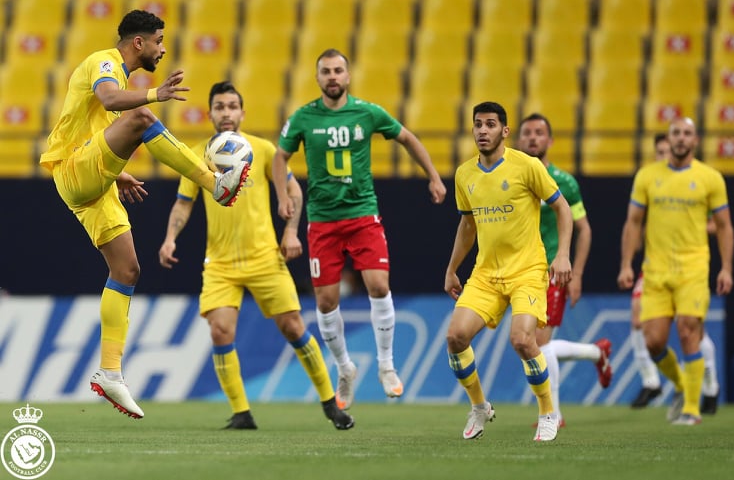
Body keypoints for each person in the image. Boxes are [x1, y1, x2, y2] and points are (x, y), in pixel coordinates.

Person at [38, 10, 249, 419]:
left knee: (127, 270)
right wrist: (155, 94)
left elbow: (96, 128)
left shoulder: (119, 76)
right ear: (140, 43)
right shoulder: (104, 63)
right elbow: (111, 100)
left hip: (93, 183)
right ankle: (214, 183)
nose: (163, 48)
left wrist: (117, 174)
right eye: (159, 40)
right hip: (72, 170)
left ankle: (110, 372)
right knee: (142, 116)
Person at [158, 81, 353, 430]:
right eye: (220, 106)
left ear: (242, 113)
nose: (227, 113)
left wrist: (291, 232)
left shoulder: (262, 150)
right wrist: (170, 237)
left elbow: (294, 190)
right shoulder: (196, 155)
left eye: (232, 106)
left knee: (293, 326)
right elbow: (183, 204)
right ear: (210, 114)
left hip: (264, 257)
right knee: (219, 331)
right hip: (219, 263)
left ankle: (330, 403)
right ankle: (242, 413)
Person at [272, 48, 447, 410]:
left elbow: (408, 138)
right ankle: (345, 368)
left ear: (348, 76)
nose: (332, 76)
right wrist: (282, 196)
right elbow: (279, 157)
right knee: (325, 300)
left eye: (338, 70)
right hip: (322, 220)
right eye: (326, 71)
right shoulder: (304, 117)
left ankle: (386, 365)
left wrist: (433, 176)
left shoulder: (368, 113)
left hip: (362, 214)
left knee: (379, 285)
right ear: (317, 77)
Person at [444, 101, 573, 441]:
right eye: (477, 124)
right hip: (486, 274)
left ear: (504, 130)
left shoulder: (526, 166)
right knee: (455, 338)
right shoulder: (464, 174)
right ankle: (479, 407)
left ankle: (548, 411)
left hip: (528, 271)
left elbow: (563, 209)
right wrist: (452, 268)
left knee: (522, 340)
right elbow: (467, 225)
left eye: (490, 124)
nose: (482, 130)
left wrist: (563, 255)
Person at [617, 117, 734, 425]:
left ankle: (692, 410)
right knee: (654, 341)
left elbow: (724, 226)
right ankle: (683, 386)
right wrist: (627, 263)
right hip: (655, 269)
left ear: (695, 141)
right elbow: (633, 222)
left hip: (693, 267)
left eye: (687, 134)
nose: (681, 139)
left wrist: (726, 268)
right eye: (676, 133)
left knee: (688, 329)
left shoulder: (710, 178)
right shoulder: (647, 176)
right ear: (668, 140)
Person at [516, 113, 610, 427]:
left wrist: (576, 272)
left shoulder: (564, 182)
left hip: (551, 273)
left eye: (539, 132)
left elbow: (584, 229)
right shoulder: (512, 178)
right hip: (518, 273)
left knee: (537, 344)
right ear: (518, 140)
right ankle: (597, 354)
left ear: (550, 141)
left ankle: (553, 414)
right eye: (527, 132)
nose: (532, 138)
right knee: (527, 344)